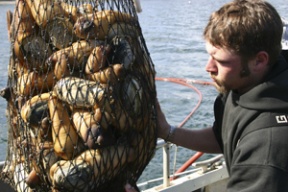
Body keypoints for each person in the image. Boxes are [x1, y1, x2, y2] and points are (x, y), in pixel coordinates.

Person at [125, 0, 288, 191]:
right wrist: (167, 131)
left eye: (220, 60)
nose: (208, 67)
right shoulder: (244, 85)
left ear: (259, 61)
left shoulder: (266, 150)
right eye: (209, 55)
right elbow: (223, 137)